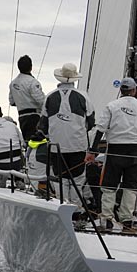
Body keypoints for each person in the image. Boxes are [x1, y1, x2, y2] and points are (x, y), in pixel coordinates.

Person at [86, 77, 137, 232]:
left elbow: (100, 129)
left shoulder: (112, 106)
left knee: (109, 186)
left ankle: (107, 219)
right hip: (136, 151)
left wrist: (93, 150)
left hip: (115, 149)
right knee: (131, 187)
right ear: (134, 90)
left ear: (121, 90)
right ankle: (127, 221)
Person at [38, 63, 95, 204]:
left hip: (56, 148)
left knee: (61, 179)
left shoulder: (49, 97)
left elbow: (43, 125)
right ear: (74, 79)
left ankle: (62, 206)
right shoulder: (83, 96)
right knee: (77, 180)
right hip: (78, 146)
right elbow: (91, 122)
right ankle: (76, 211)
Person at [9, 55, 45, 140]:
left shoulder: (13, 83)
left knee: (27, 141)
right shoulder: (32, 82)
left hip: (22, 117)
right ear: (31, 67)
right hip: (34, 117)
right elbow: (41, 101)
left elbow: (12, 102)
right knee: (37, 142)